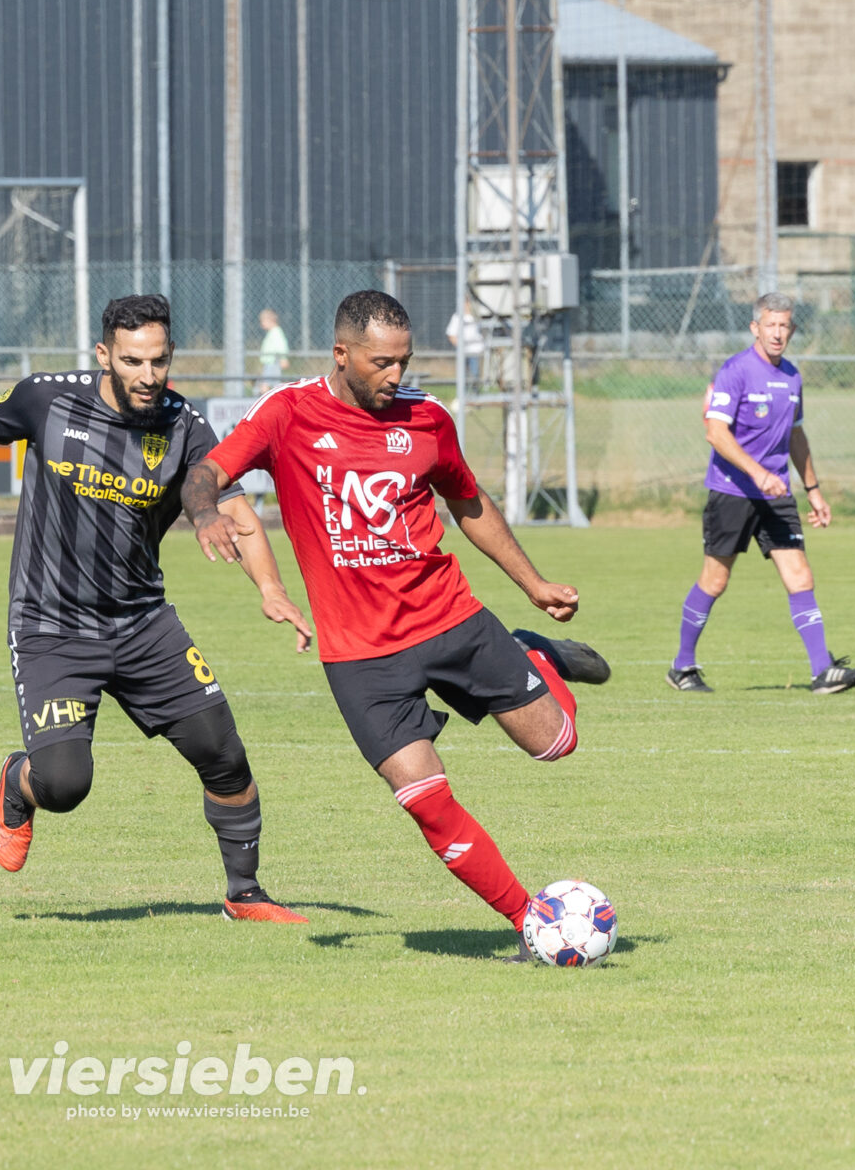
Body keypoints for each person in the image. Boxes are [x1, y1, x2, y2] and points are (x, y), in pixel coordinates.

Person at [0, 294, 307, 924]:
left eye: (158, 360)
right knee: (64, 785)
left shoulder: (184, 425)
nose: (148, 375)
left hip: (143, 623)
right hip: (52, 627)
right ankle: (18, 781)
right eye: (132, 361)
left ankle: (245, 894)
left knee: (224, 755)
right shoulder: (48, 399)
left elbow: (233, 509)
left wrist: (270, 588)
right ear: (104, 355)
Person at [182, 289, 611, 963]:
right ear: (341, 354)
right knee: (425, 800)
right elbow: (205, 473)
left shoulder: (427, 418)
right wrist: (206, 511)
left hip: (450, 619)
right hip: (361, 658)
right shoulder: (287, 413)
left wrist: (533, 585)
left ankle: (535, 654)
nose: (395, 375)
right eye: (381, 362)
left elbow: (467, 501)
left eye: (404, 361)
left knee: (557, 744)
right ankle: (529, 922)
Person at [667, 292, 855, 695]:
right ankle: (682, 666)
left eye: (784, 326)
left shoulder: (792, 377)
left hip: (776, 494)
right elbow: (715, 433)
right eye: (770, 325)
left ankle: (822, 671)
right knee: (715, 580)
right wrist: (757, 473)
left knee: (800, 575)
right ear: (755, 328)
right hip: (732, 492)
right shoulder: (736, 371)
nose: (777, 333)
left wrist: (814, 490)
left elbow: (796, 436)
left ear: (792, 330)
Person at [255, 307, 290, 392]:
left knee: (266, 384)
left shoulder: (276, 332)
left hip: (273, 363)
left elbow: (281, 346)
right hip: (269, 363)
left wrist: (283, 359)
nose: (261, 324)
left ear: (270, 320)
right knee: (270, 384)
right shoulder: (272, 332)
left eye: (262, 321)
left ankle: (267, 397)